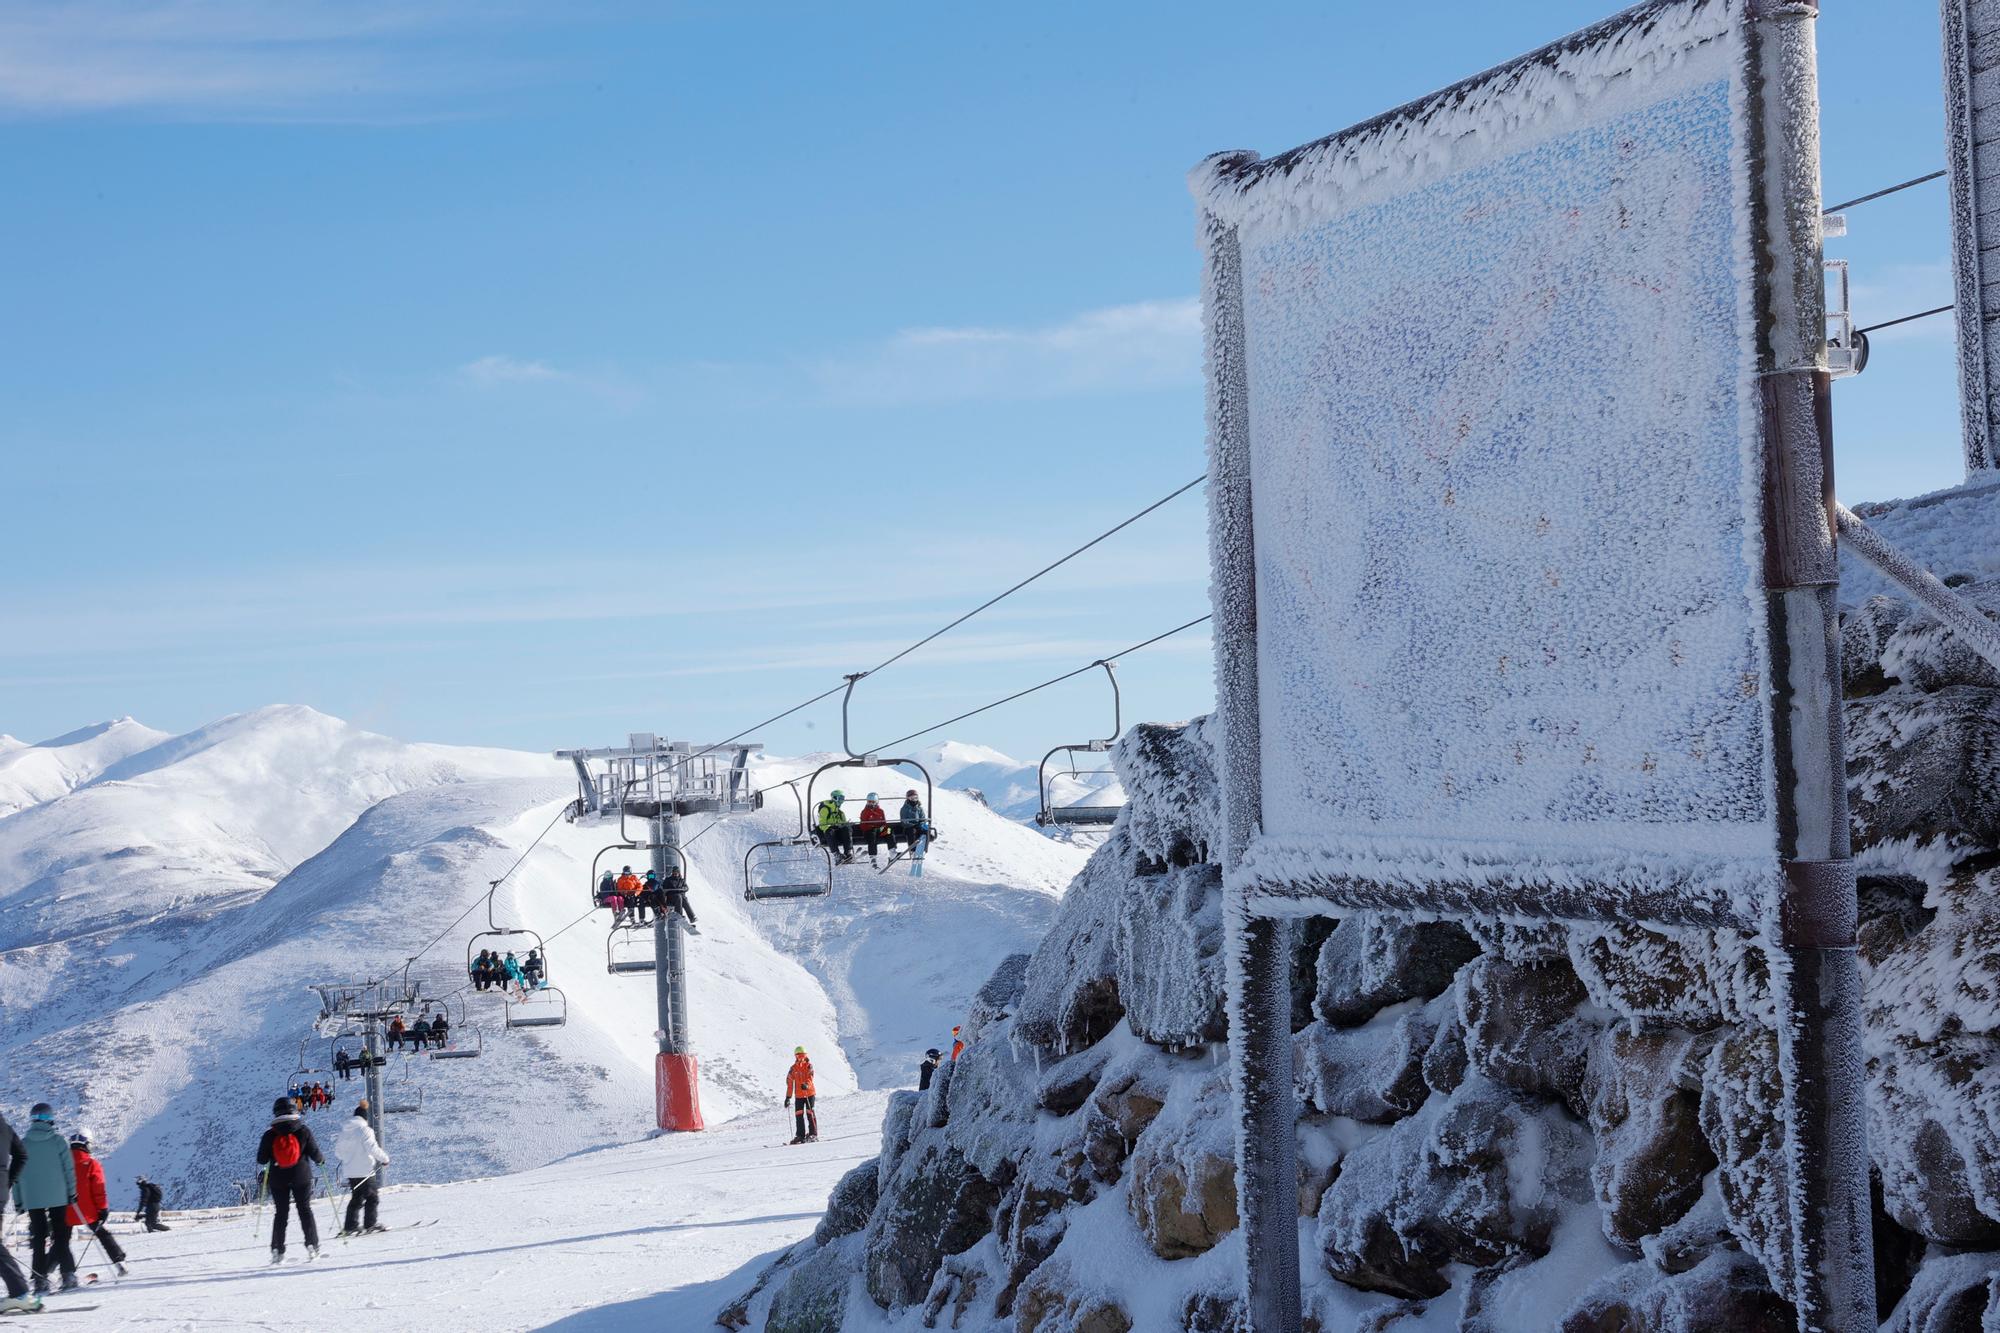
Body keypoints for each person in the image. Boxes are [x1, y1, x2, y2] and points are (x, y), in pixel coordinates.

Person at [11, 1104, 77, 1295]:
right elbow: (68, 1170)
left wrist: (19, 1201)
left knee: (38, 1238)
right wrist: (72, 1193)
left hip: (33, 1198)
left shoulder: (23, 1143)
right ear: (50, 1119)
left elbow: (16, 1175)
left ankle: (40, 1280)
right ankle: (68, 1275)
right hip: (59, 1196)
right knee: (61, 1236)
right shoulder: (58, 1142)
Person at [255, 1096, 323, 1263]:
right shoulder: (303, 1130)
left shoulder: (270, 1134)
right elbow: (315, 1153)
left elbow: (261, 1159)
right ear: (295, 1110)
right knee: (305, 1210)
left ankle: (277, 1250)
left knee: (281, 1214)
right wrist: (321, 1160)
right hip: (301, 1176)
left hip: (278, 1179)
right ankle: (312, 1246)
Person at [65, 1130, 127, 1278]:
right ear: (87, 1145)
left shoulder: (62, 1165)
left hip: (66, 1209)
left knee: (61, 1242)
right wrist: (103, 1209)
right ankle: (119, 1262)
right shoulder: (92, 1164)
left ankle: (57, 1272)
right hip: (88, 1211)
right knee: (103, 1234)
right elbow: (99, 1189)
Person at [334, 1103, 390, 1237]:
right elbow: (372, 1148)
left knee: (357, 1198)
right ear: (365, 1118)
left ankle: (350, 1226)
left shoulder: (344, 1132)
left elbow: (338, 1153)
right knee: (372, 1197)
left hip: (350, 1172)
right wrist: (384, 1159)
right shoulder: (365, 1130)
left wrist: (349, 1158)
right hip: (364, 1170)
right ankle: (370, 1224)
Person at [0, 1108, 35, 1315]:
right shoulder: (6, 1128)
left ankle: (20, 1292)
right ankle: (20, 1292)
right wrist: (9, 1182)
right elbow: (22, 1155)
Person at [784, 1047, 819, 1145]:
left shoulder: (809, 1066)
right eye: (798, 1055)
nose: (801, 1057)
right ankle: (800, 1135)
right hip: (799, 1095)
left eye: (802, 1055)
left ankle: (813, 1134)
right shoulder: (793, 1068)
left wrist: (807, 1085)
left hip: (809, 1093)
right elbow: (790, 1083)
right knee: (799, 1115)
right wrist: (788, 1097)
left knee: (810, 1113)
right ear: (795, 1056)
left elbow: (810, 1077)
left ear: (805, 1055)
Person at [815, 790, 853, 863]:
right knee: (829, 831)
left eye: (843, 799)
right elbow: (822, 824)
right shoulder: (825, 809)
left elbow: (843, 824)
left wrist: (845, 825)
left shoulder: (840, 812)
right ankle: (837, 854)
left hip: (838, 832)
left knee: (846, 829)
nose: (842, 801)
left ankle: (847, 853)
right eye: (840, 798)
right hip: (829, 833)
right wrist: (830, 827)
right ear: (835, 798)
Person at [857, 793, 888, 865]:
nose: (871, 804)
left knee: (889, 830)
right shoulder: (865, 811)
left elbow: (884, 823)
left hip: (880, 831)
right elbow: (863, 825)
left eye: (873, 802)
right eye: (869, 802)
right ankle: (873, 857)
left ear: (876, 802)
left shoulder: (880, 811)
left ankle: (892, 851)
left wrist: (882, 828)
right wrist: (872, 827)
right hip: (869, 832)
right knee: (872, 836)